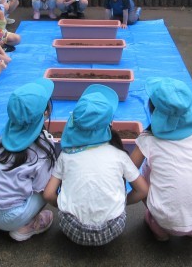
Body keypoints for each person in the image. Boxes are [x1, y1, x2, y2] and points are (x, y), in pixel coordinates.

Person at [43, 85, 148, 246]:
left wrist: (66, 205)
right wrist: (121, 202)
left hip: (72, 229)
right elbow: (143, 190)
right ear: (109, 124)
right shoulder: (119, 155)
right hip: (112, 228)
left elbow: (48, 194)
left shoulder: (66, 155)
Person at [130, 78, 192, 241]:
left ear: (153, 110)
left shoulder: (148, 139)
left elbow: (128, 169)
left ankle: (159, 230)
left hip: (166, 221)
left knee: (143, 174)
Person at [0, 79, 57, 241]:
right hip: (13, 216)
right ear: (45, 113)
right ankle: (27, 226)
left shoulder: (3, 137)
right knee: (47, 188)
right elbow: (43, 190)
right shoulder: (44, 148)